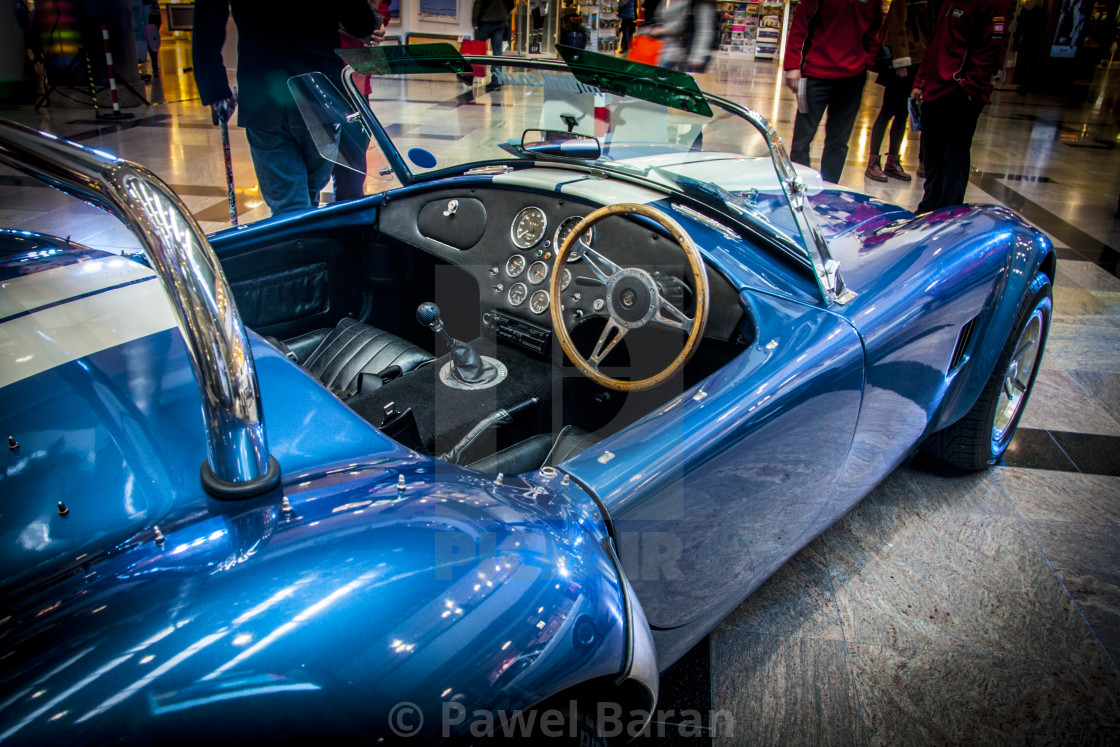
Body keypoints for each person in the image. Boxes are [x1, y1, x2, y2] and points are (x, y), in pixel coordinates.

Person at [193, 0, 379, 217]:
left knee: (292, 204)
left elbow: (207, 25)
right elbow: (360, 23)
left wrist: (215, 89)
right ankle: (307, 243)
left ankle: (303, 243)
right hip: (318, 87)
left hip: (263, 88)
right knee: (305, 195)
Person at [912, 0, 1013, 213]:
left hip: (959, 92)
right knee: (932, 155)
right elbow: (934, 41)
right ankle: (928, 209)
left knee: (953, 156)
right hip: (935, 88)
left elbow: (992, 49)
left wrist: (968, 88)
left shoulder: (994, 4)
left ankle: (948, 214)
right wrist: (920, 82)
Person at [783, 0, 883, 184]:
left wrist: (867, 61)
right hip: (814, 76)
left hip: (852, 79)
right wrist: (792, 64)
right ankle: (799, 189)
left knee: (838, 143)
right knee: (801, 141)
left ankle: (829, 191)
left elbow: (875, 29)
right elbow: (800, 24)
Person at [866, 0, 929, 182]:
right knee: (887, 110)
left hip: (919, 59)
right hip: (903, 61)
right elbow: (897, 23)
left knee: (903, 113)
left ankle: (893, 160)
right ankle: (873, 161)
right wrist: (901, 58)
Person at [473, 0, 517, 91]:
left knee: (478, 49)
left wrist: (474, 21)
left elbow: (478, 3)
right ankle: (496, 81)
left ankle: (469, 77)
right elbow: (511, 4)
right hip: (500, 21)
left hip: (485, 21)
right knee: (497, 53)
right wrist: (503, 12)